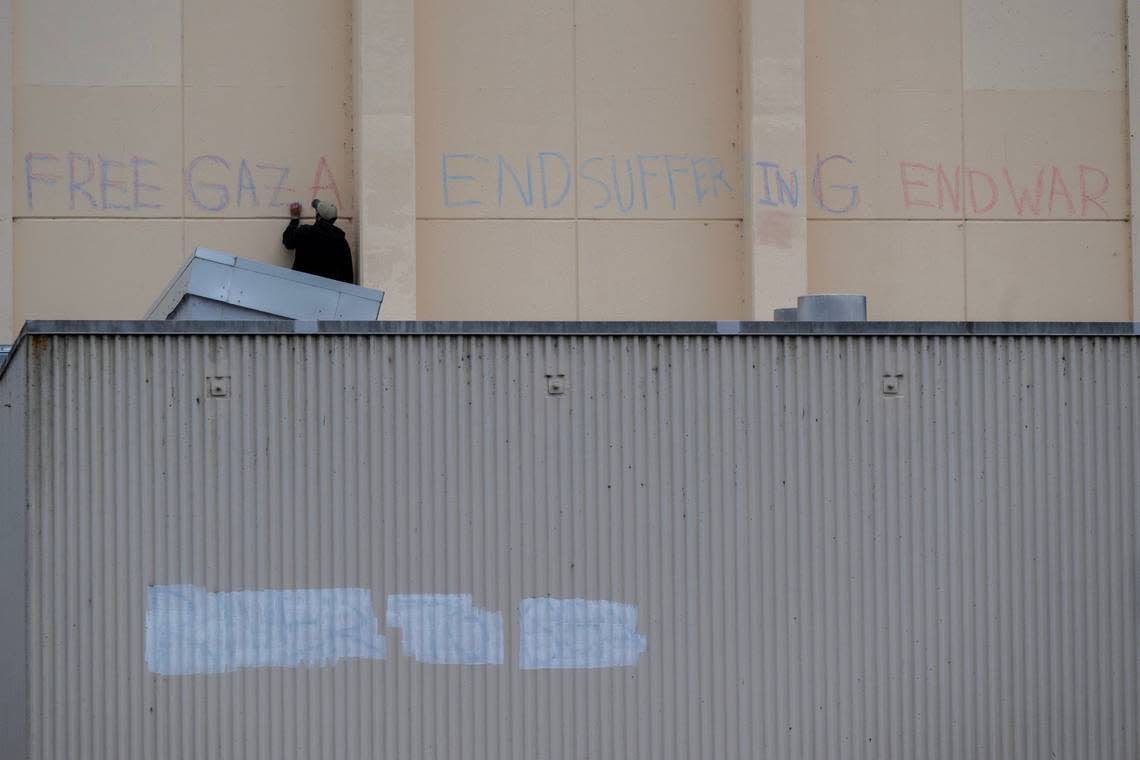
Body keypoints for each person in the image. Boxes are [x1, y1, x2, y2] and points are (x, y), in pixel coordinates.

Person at [282, 198, 355, 284]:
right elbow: (347, 275)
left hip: (302, 286)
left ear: (318, 217)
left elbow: (288, 242)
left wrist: (294, 220)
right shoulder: (341, 242)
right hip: (328, 292)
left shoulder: (305, 232)